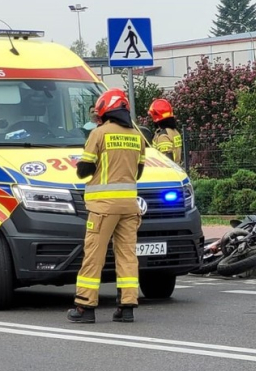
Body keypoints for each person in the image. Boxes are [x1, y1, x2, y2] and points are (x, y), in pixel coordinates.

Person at [68, 88, 145, 324]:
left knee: (94, 256)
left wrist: (85, 164)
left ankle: (85, 307)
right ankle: (127, 307)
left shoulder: (99, 134)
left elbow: (84, 170)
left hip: (102, 208)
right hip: (130, 207)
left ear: (105, 110)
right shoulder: (137, 136)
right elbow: (139, 171)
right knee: (127, 256)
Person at [148, 99, 183, 165]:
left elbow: (166, 160)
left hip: (166, 173)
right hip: (177, 170)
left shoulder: (163, 136)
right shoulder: (175, 132)